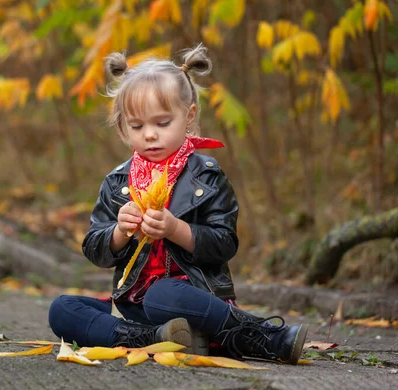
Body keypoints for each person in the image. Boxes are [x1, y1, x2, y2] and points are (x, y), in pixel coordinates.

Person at [49, 44, 308, 364]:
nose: (150, 135)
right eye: (138, 126)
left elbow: (224, 243)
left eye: (162, 122)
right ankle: (153, 338)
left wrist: (176, 229)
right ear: (122, 127)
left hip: (191, 296)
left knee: (163, 294)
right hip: (132, 306)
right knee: (62, 309)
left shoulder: (205, 176)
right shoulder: (118, 182)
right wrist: (118, 232)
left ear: (188, 117)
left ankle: (258, 335)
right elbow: (93, 245)